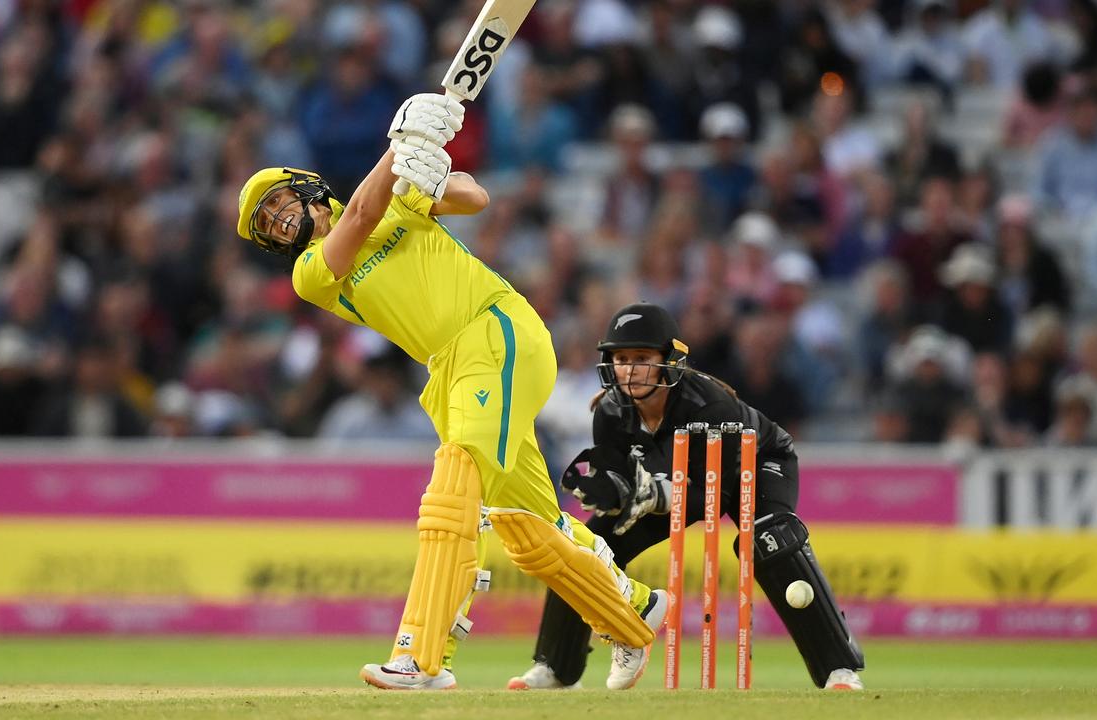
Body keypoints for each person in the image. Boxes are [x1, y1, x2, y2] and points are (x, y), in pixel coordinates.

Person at [234, 92, 666, 691]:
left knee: (455, 479)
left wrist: (431, 172)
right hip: (450, 368)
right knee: (525, 527)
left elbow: (475, 198)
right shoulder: (311, 272)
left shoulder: (397, 202)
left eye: (278, 202)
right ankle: (634, 613)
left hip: (495, 330)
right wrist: (400, 147)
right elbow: (358, 217)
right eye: (266, 222)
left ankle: (422, 657)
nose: (278, 219)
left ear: (306, 187)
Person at [509, 302, 865, 691]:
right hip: (675, 487)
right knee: (583, 546)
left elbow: (712, 501)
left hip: (756, 463)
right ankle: (557, 667)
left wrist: (655, 492)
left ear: (669, 360)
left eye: (642, 358)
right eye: (621, 358)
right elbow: (616, 478)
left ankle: (838, 670)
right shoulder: (610, 412)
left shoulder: (710, 406)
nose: (629, 369)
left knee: (770, 541)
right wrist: (612, 491)